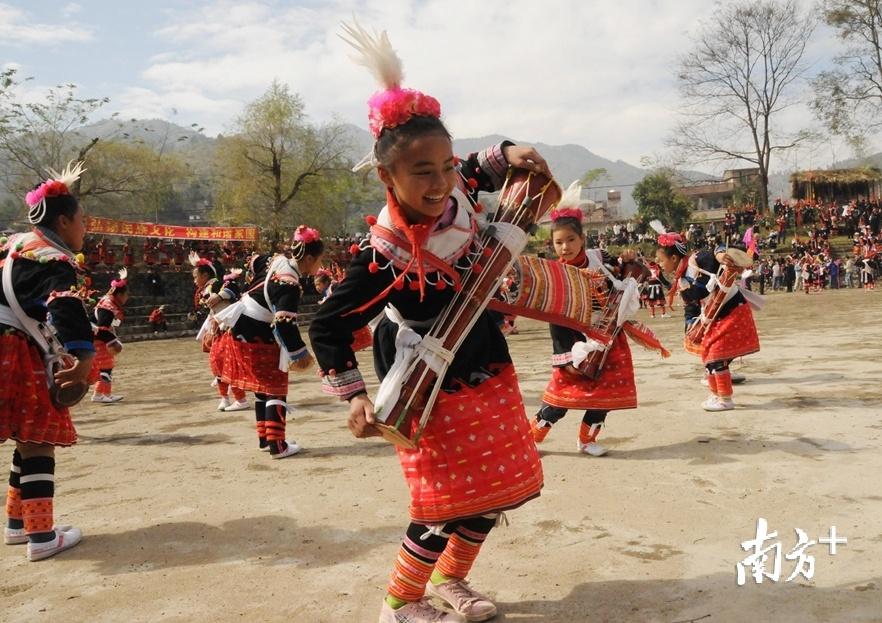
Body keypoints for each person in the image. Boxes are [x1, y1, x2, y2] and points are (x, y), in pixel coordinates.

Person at [309, 23, 548, 623]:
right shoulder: (380, 253)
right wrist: (354, 396)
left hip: (485, 360)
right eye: (422, 173)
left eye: (444, 165)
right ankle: (400, 600)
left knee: (493, 494)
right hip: (425, 377)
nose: (440, 181)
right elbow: (327, 327)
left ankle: (453, 581)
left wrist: (510, 150)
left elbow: (478, 166)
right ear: (387, 178)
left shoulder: (456, 191)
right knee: (441, 501)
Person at [1, 162, 93, 561]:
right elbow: (65, 305)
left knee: (26, 435)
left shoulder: (11, 246)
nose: (84, 229)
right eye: (82, 221)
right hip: (13, 349)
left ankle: (17, 524)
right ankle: (42, 537)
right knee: (39, 439)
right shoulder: (53, 259)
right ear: (62, 220)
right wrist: (85, 359)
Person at [529, 191, 647, 457]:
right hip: (574, 344)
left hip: (608, 338)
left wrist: (627, 259)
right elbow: (555, 321)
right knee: (561, 400)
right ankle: (531, 439)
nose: (565, 247)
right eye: (558, 242)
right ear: (552, 245)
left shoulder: (599, 258)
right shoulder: (555, 275)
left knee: (605, 397)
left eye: (571, 240)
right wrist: (566, 359)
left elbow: (622, 274)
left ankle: (587, 441)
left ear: (582, 239)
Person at [216, 226, 323, 458]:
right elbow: (284, 323)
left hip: (241, 327)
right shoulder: (290, 284)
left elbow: (252, 262)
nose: (319, 267)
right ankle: (278, 445)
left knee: (263, 387)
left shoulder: (274, 260)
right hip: (256, 331)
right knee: (275, 386)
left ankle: (265, 439)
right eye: (319, 261)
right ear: (310, 258)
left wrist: (249, 287)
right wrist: (299, 354)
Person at [191, 254, 248, 412]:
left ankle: (239, 398)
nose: (194, 281)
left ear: (205, 275)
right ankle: (225, 397)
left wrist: (220, 295)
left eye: (196, 277)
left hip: (229, 330)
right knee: (217, 363)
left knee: (227, 363)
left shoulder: (218, 284)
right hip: (219, 331)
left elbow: (233, 289)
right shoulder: (207, 289)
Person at [88, 268, 128, 403]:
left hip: (100, 338)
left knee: (108, 364)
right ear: (119, 295)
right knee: (104, 366)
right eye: (125, 295)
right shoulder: (107, 307)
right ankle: (98, 394)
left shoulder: (109, 303)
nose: (126, 298)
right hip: (98, 339)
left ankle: (107, 393)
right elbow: (102, 329)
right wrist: (114, 342)